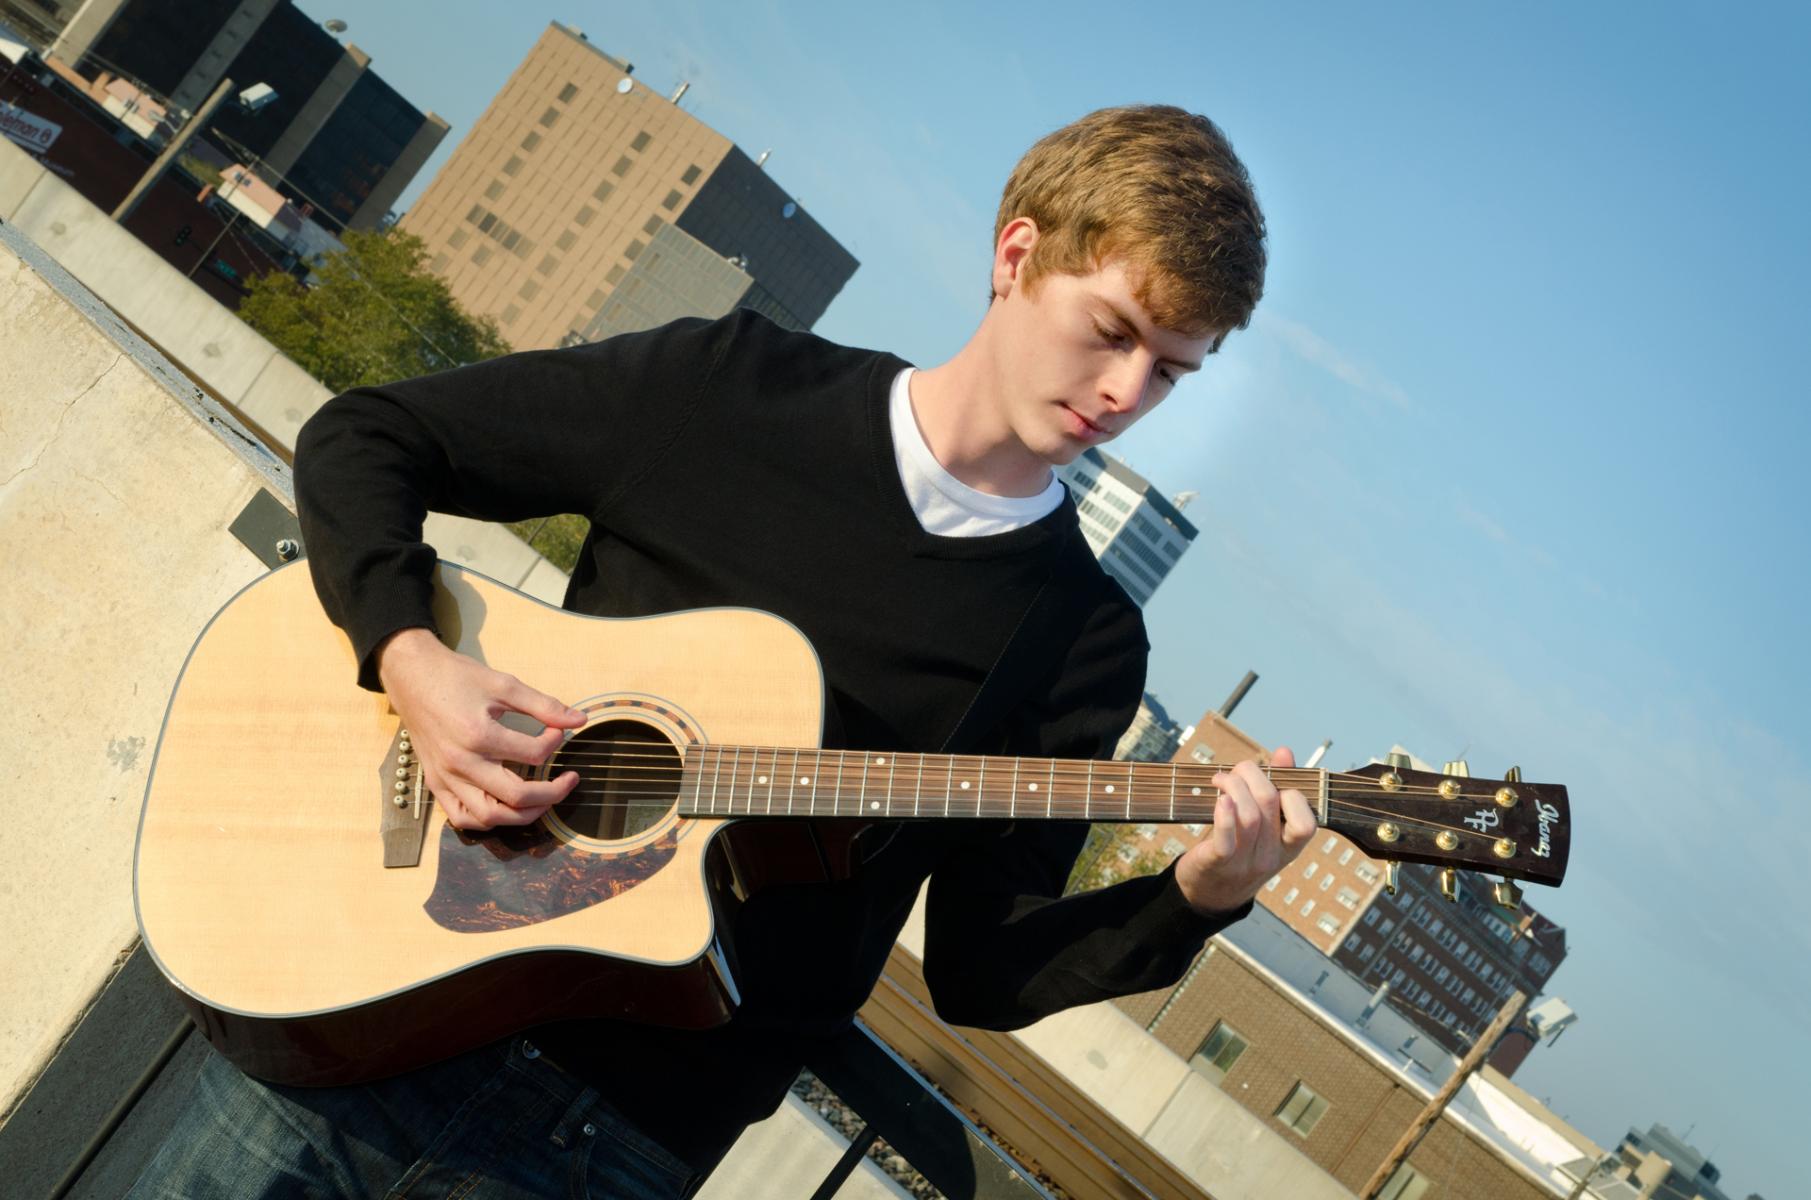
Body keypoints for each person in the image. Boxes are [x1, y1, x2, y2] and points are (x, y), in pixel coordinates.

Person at [130, 103, 1316, 1199]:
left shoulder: (1083, 639)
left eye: (1167, 370)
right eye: (1109, 331)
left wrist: (1193, 898)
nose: (1121, 392)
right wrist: (410, 661)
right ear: (1017, 257)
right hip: (359, 1025)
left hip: (605, 1152)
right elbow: (367, 439)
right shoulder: (733, 388)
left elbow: (980, 969)